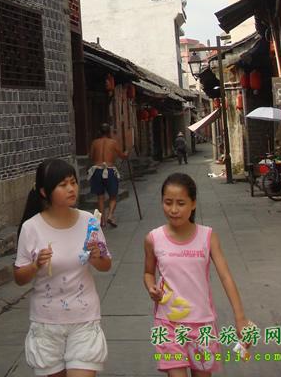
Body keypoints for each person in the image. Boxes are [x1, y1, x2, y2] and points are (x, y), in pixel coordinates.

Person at [143, 173, 252, 375]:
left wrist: (240, 318)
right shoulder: (153, 238)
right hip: (168, 324)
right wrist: (151, 287)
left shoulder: (208, 236)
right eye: (168, 202)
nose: (173, 209)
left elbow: (226, 277)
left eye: (181, 203)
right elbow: (148, 272)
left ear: (193, 204)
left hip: (202, 324)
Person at [14, 158, 111, 377]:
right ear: (44, 191)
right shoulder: (31, 228)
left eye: (73, 182)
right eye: (63, 184)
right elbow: (19, 277)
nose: (71, 189)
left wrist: (97, 257)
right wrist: (36, 265)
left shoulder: (89, 221)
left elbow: (106, 264)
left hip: (84, 319)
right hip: (47, 323)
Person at [88, 123, 128, 228]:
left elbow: (91, 156)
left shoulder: (94, 143)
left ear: (99, 132)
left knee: (100, 197)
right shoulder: (113, 142)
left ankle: (102, 221)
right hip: (109, 170)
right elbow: (122, 156)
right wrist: (126, 153)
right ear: (109, 132)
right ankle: (110, 215)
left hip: (97, 170)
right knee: (113, 196)